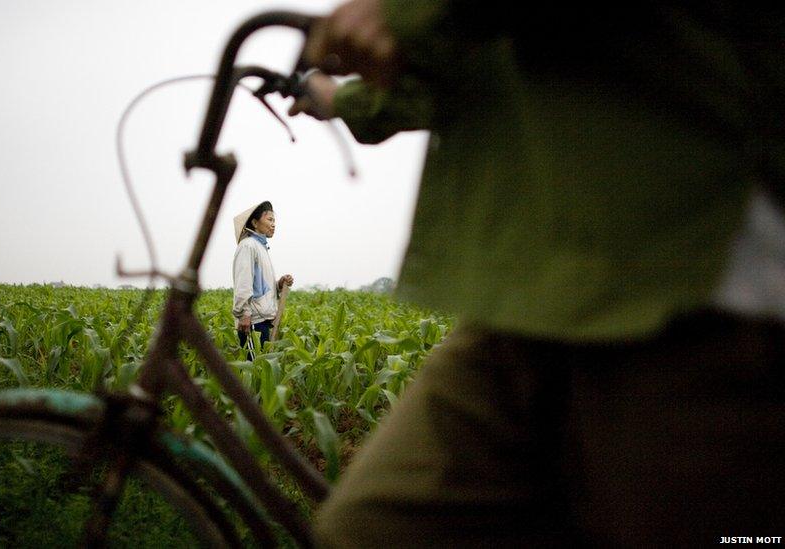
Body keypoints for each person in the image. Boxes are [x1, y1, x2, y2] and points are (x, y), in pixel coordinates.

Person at [290, 1, 785, 546]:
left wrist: (410, 11)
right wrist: (340, 98)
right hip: (530, 292)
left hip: (676, 271)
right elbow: (463, 74)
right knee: (369, 530)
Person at [231, 201, 294, 357]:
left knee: (261, 369)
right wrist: (245, 314)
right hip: (252, 321)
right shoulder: (248, 246)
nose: (273, 225)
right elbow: (243, 281)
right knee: (253, 370)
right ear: (254, 222)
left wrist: (279, 284)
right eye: (269, 220)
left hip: (261, 320)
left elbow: (261, 285)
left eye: (274, 221)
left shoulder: (261, 247)